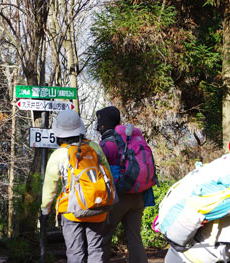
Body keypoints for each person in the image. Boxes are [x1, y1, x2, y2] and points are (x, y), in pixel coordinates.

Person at [40, 110, 114, 263]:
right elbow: (108, 177)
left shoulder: (59, 154)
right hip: (97, 206)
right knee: (96, 249)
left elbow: (50, 187)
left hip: (71, 210)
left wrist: (45, 210)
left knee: (75, 253)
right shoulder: (94, 147)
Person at [95, 106, 151, 263]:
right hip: (137, 195)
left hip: (118, 197)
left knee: (103, 236)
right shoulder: (128, 140)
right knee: (134, 237)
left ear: (103, 124)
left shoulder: (107, 145)